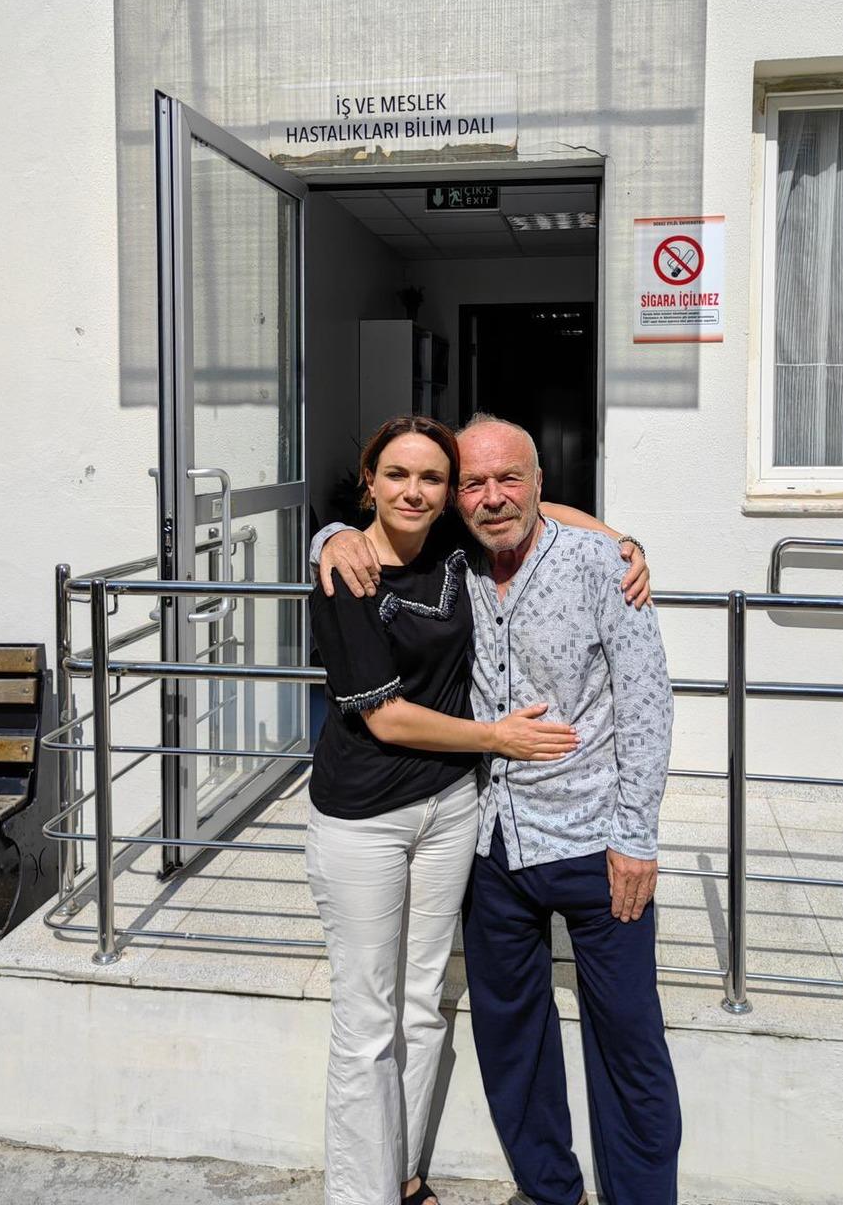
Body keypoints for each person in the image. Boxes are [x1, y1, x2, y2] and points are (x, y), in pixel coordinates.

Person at [316, 414, 679, 1205]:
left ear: (540, 482)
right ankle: (549, 1191)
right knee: (512, 1037)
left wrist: (637, 837)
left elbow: (648, 705)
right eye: (473, 483)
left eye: (509, 478)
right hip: (491, 843)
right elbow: (377, 526)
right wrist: (328, 536)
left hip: (595, 844)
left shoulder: (599, 567)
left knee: (629, 1039)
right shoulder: (455, 563)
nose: (491, 497)